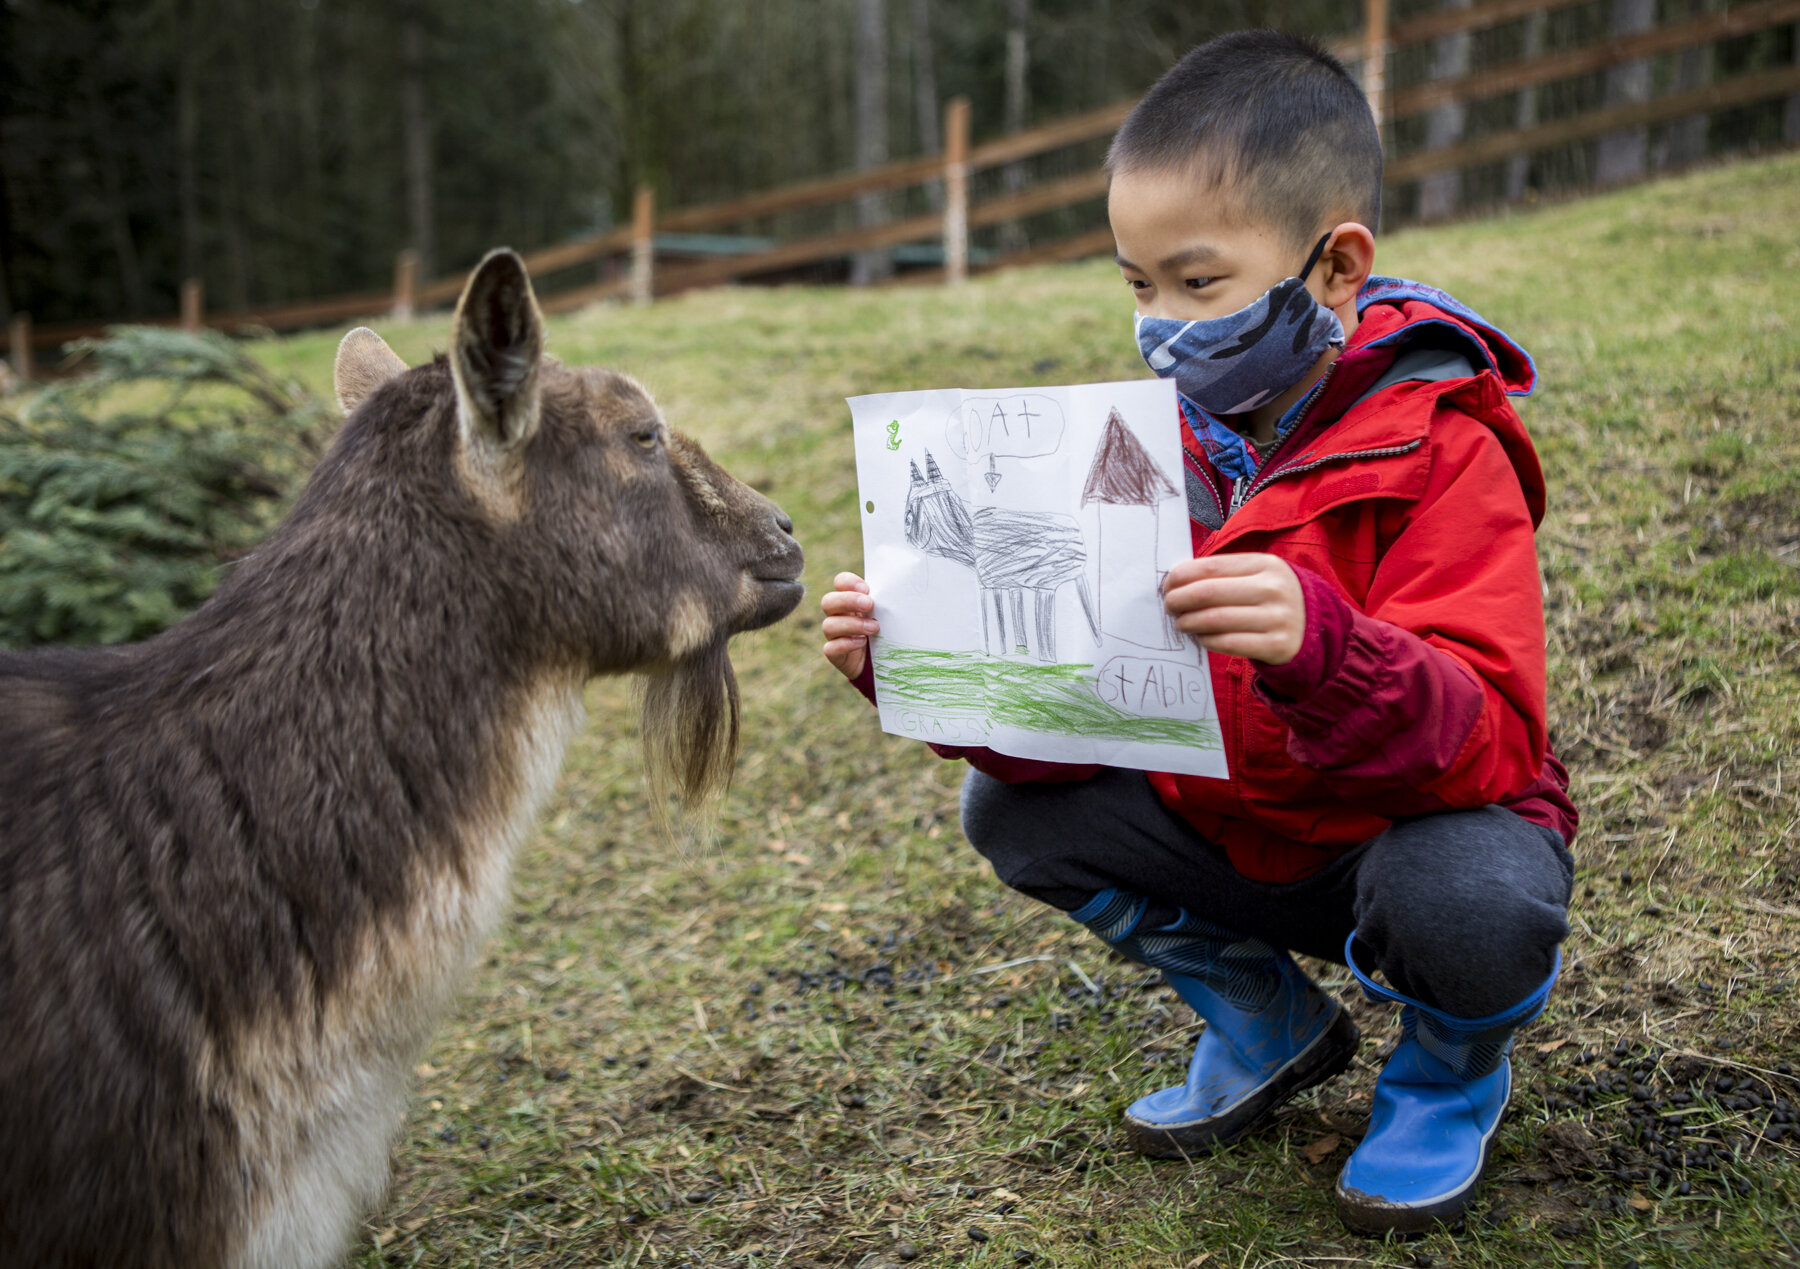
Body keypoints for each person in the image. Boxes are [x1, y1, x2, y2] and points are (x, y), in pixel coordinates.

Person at [819, 30, 1577, 1234]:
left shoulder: (1445, 449)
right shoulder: (1141, 454)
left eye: (1198, 281)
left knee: (1473, 901)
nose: (1160, 324)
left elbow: (1489, 743)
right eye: (1136, 284)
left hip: (1396, 846)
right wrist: (925, 668)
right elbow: (1086, 728)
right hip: (1236, 832)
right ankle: (1266, 1022)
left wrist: (1324, 649)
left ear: (1336, 267)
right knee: (1010, 811)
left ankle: (1447, 1071)